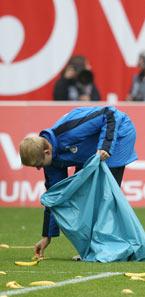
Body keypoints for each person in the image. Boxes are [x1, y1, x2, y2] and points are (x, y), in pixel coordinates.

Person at [19, 106, 138, 257]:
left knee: (104, 195)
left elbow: (109, 114)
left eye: (39, 165)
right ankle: (95, 247)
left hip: (118, 134)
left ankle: (112, 247)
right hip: (89, 150)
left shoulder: (70, 131)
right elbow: (55, 197)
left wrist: (105, 146)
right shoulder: (50, 162)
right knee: (82, 196)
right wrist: (46, 237)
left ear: (46, 152)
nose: (38, 169)